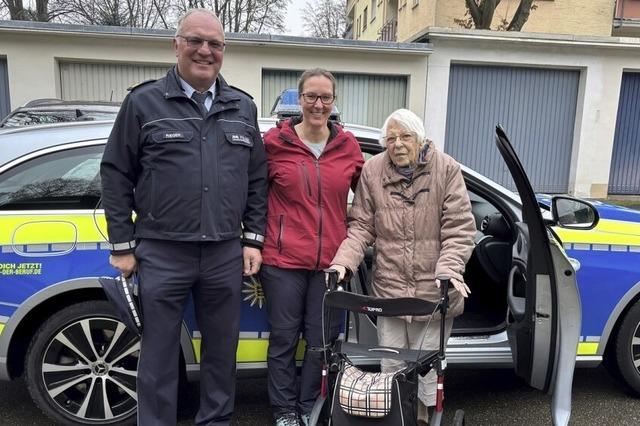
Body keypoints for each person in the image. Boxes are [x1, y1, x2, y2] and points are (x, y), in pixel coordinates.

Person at [100, 9, 267, 426]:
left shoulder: (242, 107)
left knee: (221, 352)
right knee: (158, 353)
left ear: (223, 51)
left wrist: (253, 239)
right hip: (161, 251)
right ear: (176, 45)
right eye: (195, 40)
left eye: (215, 44)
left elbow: (257, 179)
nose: (205, 50)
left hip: (224, 252)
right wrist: (122, 245)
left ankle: (214, 421)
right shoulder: (143, 102)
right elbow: (116, 173)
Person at [329, 108, 476, 425]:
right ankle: (393, 416)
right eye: (391, 138)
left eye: (405, 136)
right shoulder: (373, 171)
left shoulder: (446, 169)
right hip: (391, 292)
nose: (397, 144)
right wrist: (343, 263)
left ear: (420, 139)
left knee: (426, 367)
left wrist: (448, 270)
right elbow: (361, 228)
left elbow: (459, 230)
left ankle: (422, 418)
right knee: (391, 363)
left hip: (433, 292)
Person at [260, 68, 364, 426]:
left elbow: (371, 194)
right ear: (299, 101)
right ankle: (285, 413)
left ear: (334, 102)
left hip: (331, 265)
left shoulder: (348, 146)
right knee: (284, 342)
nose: (318, 105)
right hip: (283, 262)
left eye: (326, 98)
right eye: (311, 97)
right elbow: (252, 197)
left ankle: (308, 408)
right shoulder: (274, 143)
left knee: (321, 343)